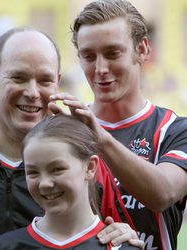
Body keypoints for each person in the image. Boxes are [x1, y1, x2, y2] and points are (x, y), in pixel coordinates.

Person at [0, 26, 142, 249]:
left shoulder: (84, 161)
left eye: (45, 80)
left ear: (58, 82)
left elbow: (115, 231)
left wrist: (123, 232)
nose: (33, 92)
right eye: (19, 77)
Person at [49, 0, 187, 249]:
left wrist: (99, 139)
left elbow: (163, 194)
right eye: (88, 56)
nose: (100, 69)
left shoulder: (174, 130)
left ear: (143, 49)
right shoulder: (63, 131)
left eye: (113, 53)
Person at [0, 114, 142, 250]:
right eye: (33, 172)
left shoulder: (120, 246)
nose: (44, 183)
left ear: (90, 167)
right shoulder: (7, 246)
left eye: (57, 169)